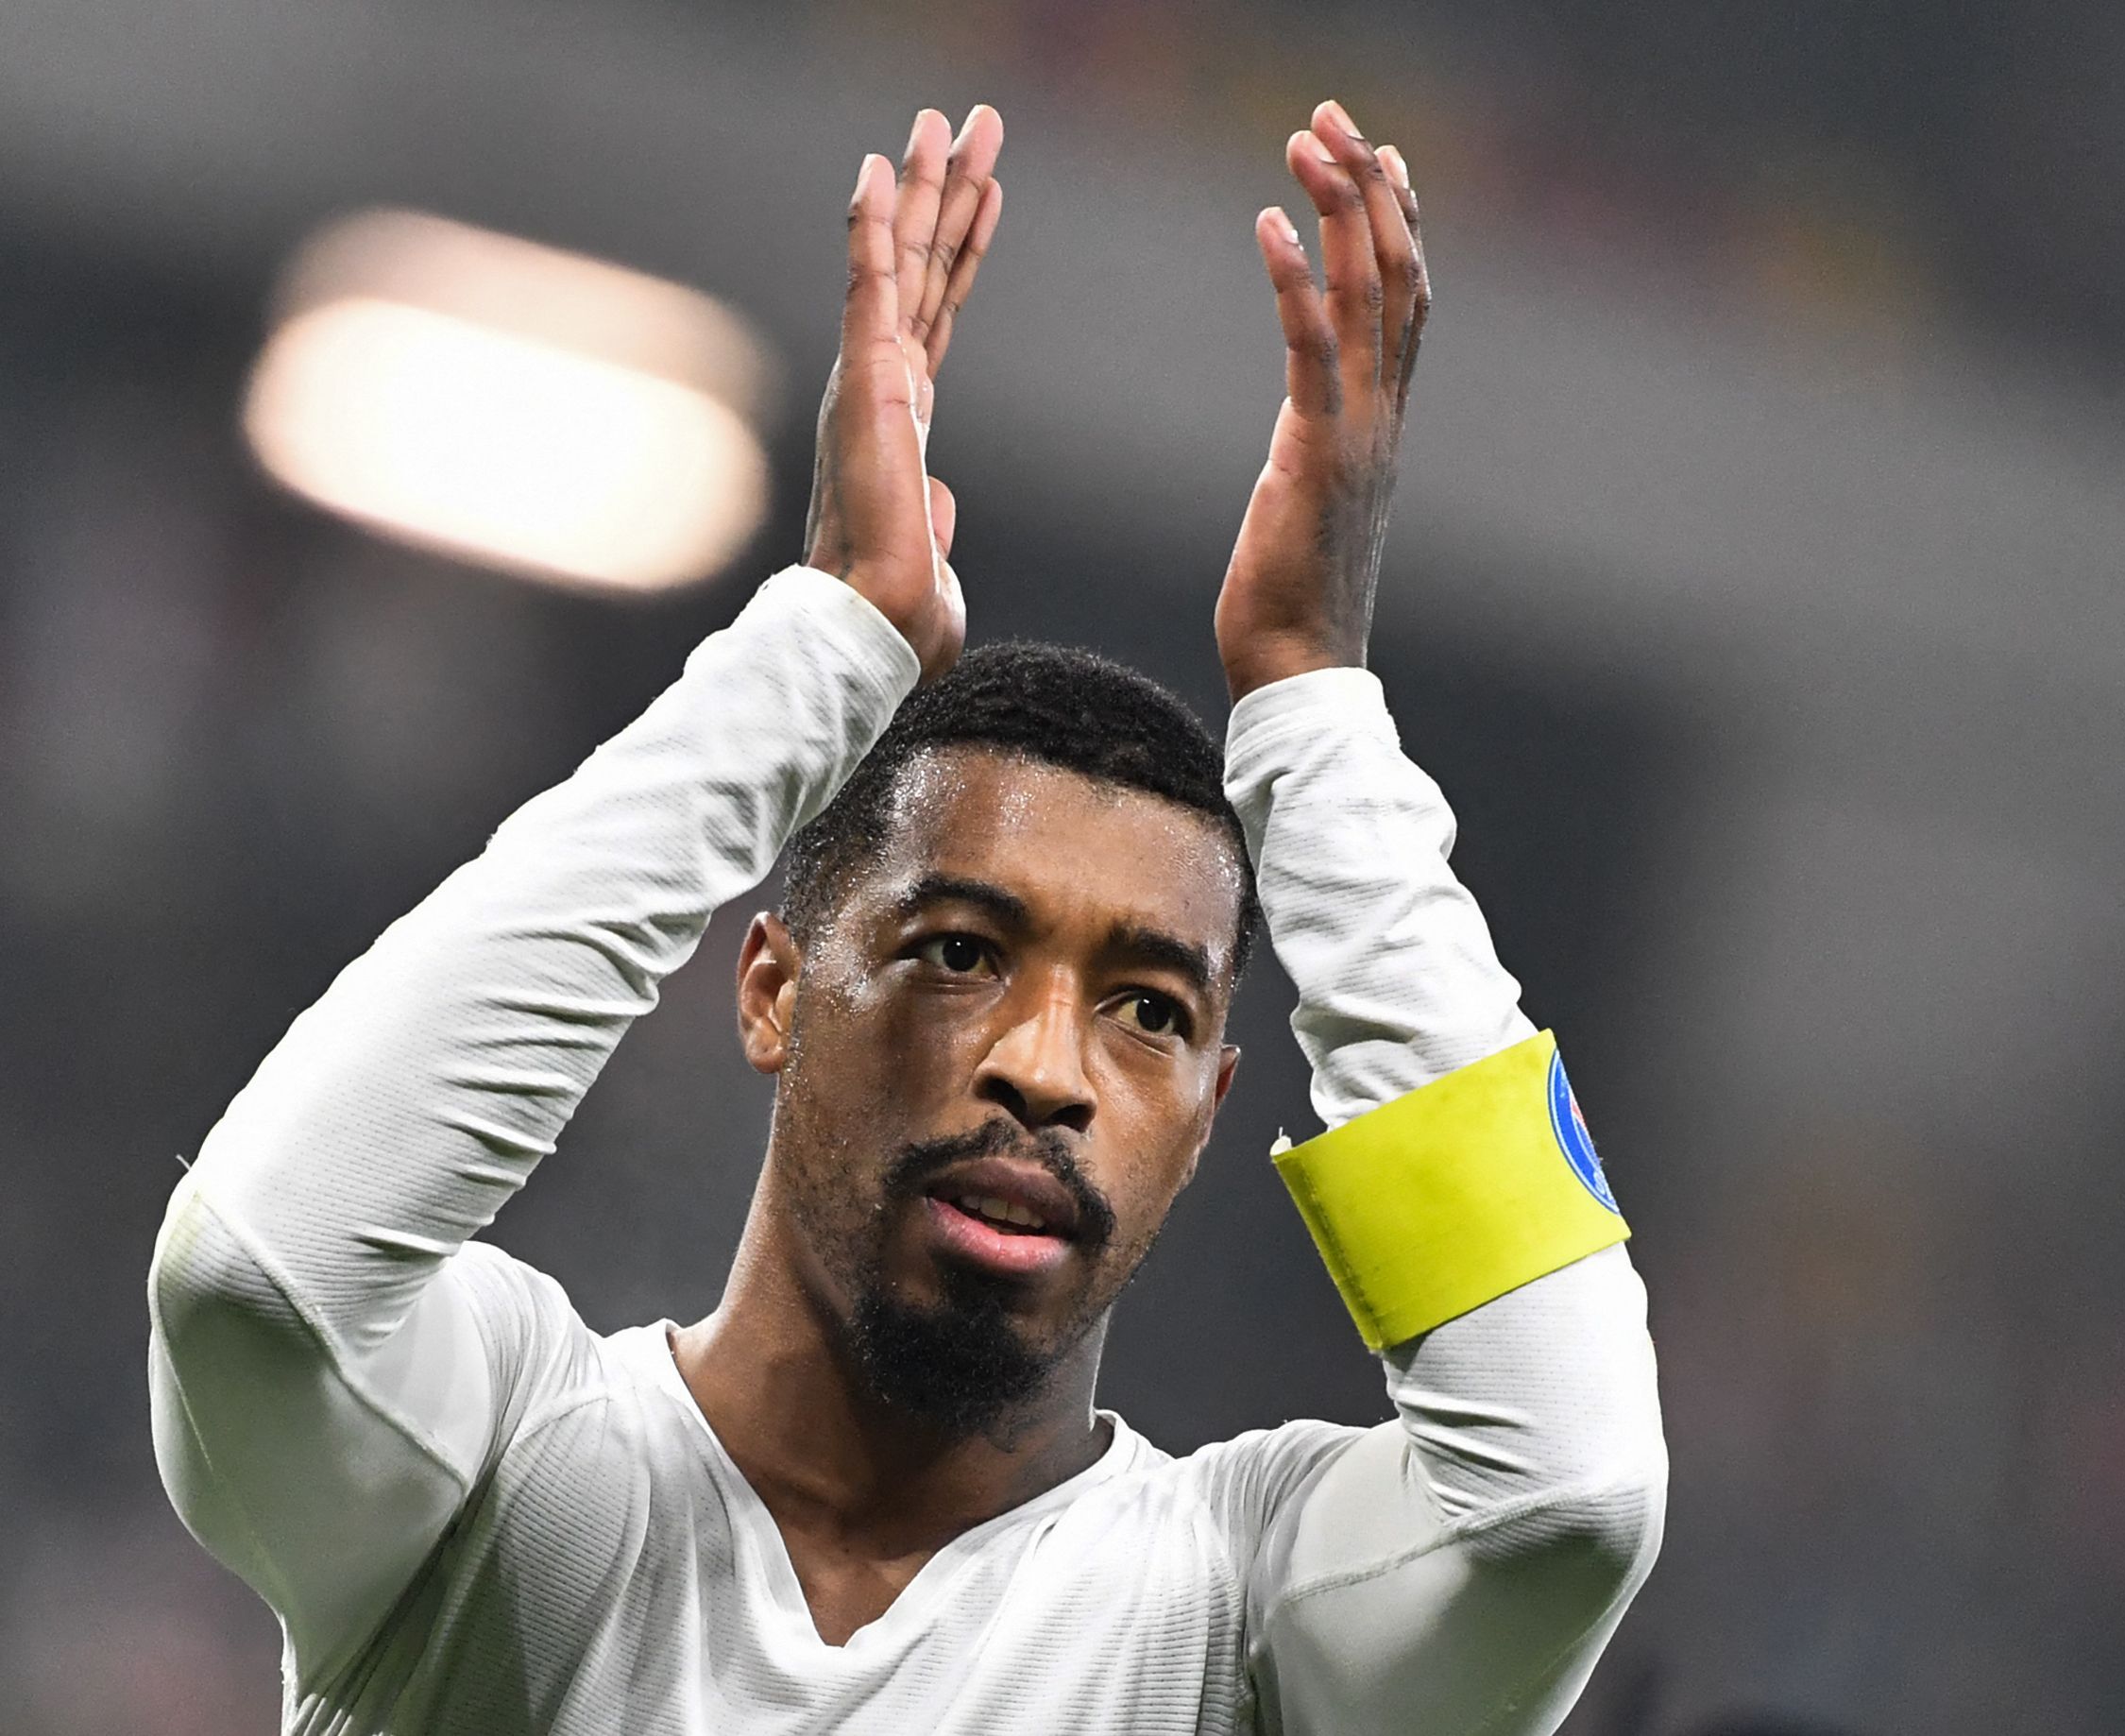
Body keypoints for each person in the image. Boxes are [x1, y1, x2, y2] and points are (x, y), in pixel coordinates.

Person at [147, 97, 1666, 1734]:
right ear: (775, 987)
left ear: (1215, 1110)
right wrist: (816, 656)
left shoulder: (1235, 1615)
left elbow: (1562, 1498)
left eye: (1149, 1005)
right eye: (961, 953)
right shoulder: (512, 1465)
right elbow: (262, 1271)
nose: (1045, 1067)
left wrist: (1313, 717)